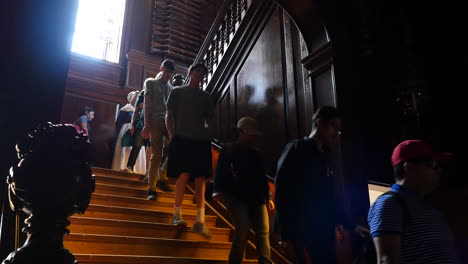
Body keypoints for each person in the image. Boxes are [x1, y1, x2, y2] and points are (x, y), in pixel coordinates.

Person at [274, 106, 368, 264]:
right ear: (319, 123)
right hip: (302, 231)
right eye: (333, 126)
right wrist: (286, 235)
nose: (336, 132)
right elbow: (283, 191)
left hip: (323, 230)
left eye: (338, 129)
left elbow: (328, 197)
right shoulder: (296, 148)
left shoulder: (325, 155)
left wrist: (350, 225)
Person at [368, 140, 459, 264]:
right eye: (431, 164)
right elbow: (386, 260)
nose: (439, 170)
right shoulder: (390, 203)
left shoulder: (432, 209)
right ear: (408, 167)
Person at [213, 117, 274, 264]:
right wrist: (217, 190)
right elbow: (220, 171)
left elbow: (261, 176)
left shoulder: (256, 153)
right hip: (235, 195)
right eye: (249, 133)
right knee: (242, 231)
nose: (252, 137)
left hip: (257, 196)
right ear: (240, 132)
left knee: (263, 232)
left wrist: (269, 196)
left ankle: (265, 261)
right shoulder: (229, 149)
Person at [166, 63, 214, 238]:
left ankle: (200, 221)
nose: (200, 74)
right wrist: (172, 135)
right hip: (182, 138)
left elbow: (210, 119)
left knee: (201, 179)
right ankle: (176, 215)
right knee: (184, 175)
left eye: (203, 72)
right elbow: (168, 115)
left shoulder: (206, 96)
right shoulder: (177, 92)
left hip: (201, 141)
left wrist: (209, 135)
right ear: (191, 72)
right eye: (198, 71)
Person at [141, 59, 175, 200]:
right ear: (161, 69)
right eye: (166, 71)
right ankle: (152, 189)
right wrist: (146, 125)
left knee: (177, 148)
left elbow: (172, 111)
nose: (168, 75)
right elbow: (147, 105)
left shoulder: (171, 88)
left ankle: (162, 177)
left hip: (168, 122)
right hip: (154, 120)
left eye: (170, 73)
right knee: (157, 154)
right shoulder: (150, 82)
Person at [111, 91, 147, 174]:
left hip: (138, 130)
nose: (136, 98)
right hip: (126, 129)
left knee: (137, 148)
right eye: (135, 97)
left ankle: (135, 169)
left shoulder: (141, 110)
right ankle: (122, 166)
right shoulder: (125, 109)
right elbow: (118, 123)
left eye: (138, 97)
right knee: (125, 149)